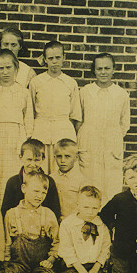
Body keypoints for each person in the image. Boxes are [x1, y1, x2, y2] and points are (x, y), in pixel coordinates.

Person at [77, 53, 130, 203]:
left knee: (111, 186)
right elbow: (78, 119)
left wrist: (113, 137)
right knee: (88, 183)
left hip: (111, 145)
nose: (103, 72)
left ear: (114, 69)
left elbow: (124, 123)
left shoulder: (121, 94)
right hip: (89, 144)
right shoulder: (85, 92)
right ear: (94, 70)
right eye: (99, 68)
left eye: (107, 68)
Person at [0, 49, 33, 205]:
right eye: (1, 68)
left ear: (16, 68)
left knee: (12, 177)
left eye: (9, 67)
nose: (5, 72)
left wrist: (23, 143)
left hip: (15, 140)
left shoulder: (24, 92)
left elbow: (29, 120)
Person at [0, 171, 60, 273]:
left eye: (44, 193)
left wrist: (50, 260)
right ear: (24, 188)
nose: (40, 196)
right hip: (18, 264)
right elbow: (6, 242)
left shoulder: (48, 214)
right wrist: (6, 263)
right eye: (36, 191)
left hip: (41, 264)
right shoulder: (12, 214)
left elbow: (57, 242)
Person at [29, 40, 82, 174]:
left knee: (62, 170)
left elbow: (75, 114)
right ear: (45, 60)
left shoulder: (70, 83)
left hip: (63, 131)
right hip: (41, 130)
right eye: (51, 58)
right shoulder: (36, 82)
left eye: (58, 57)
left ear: (64, 58)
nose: (54, 62)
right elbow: (30, 111)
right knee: (41, 170)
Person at [59, 186, 111, 273]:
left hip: (94, 265)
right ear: (77, 205)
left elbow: (105, 248)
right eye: (86, 207)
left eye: (94, 208)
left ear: (99, 207)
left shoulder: (101, 225)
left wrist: (95, 268)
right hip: (74, 266)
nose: (90, 212)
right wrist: (81, 269)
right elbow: (66, 249)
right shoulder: (68, 224)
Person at [1, 138, 61, 221]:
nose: (33, 164)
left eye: (37, 160)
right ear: (20, 157)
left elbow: (55, 212)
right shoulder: (13, 182)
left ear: (43, 159)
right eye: (29, 159)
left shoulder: (49, 181)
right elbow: (5, 212)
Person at [50, 139, 88, 221]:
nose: (63, 160)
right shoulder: (51, 178)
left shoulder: (81, 181)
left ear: (76, 158)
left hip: (73, 223)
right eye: (59, 156)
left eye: (67, 156)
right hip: (53, 222)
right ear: (54, 157)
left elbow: (84, 206)